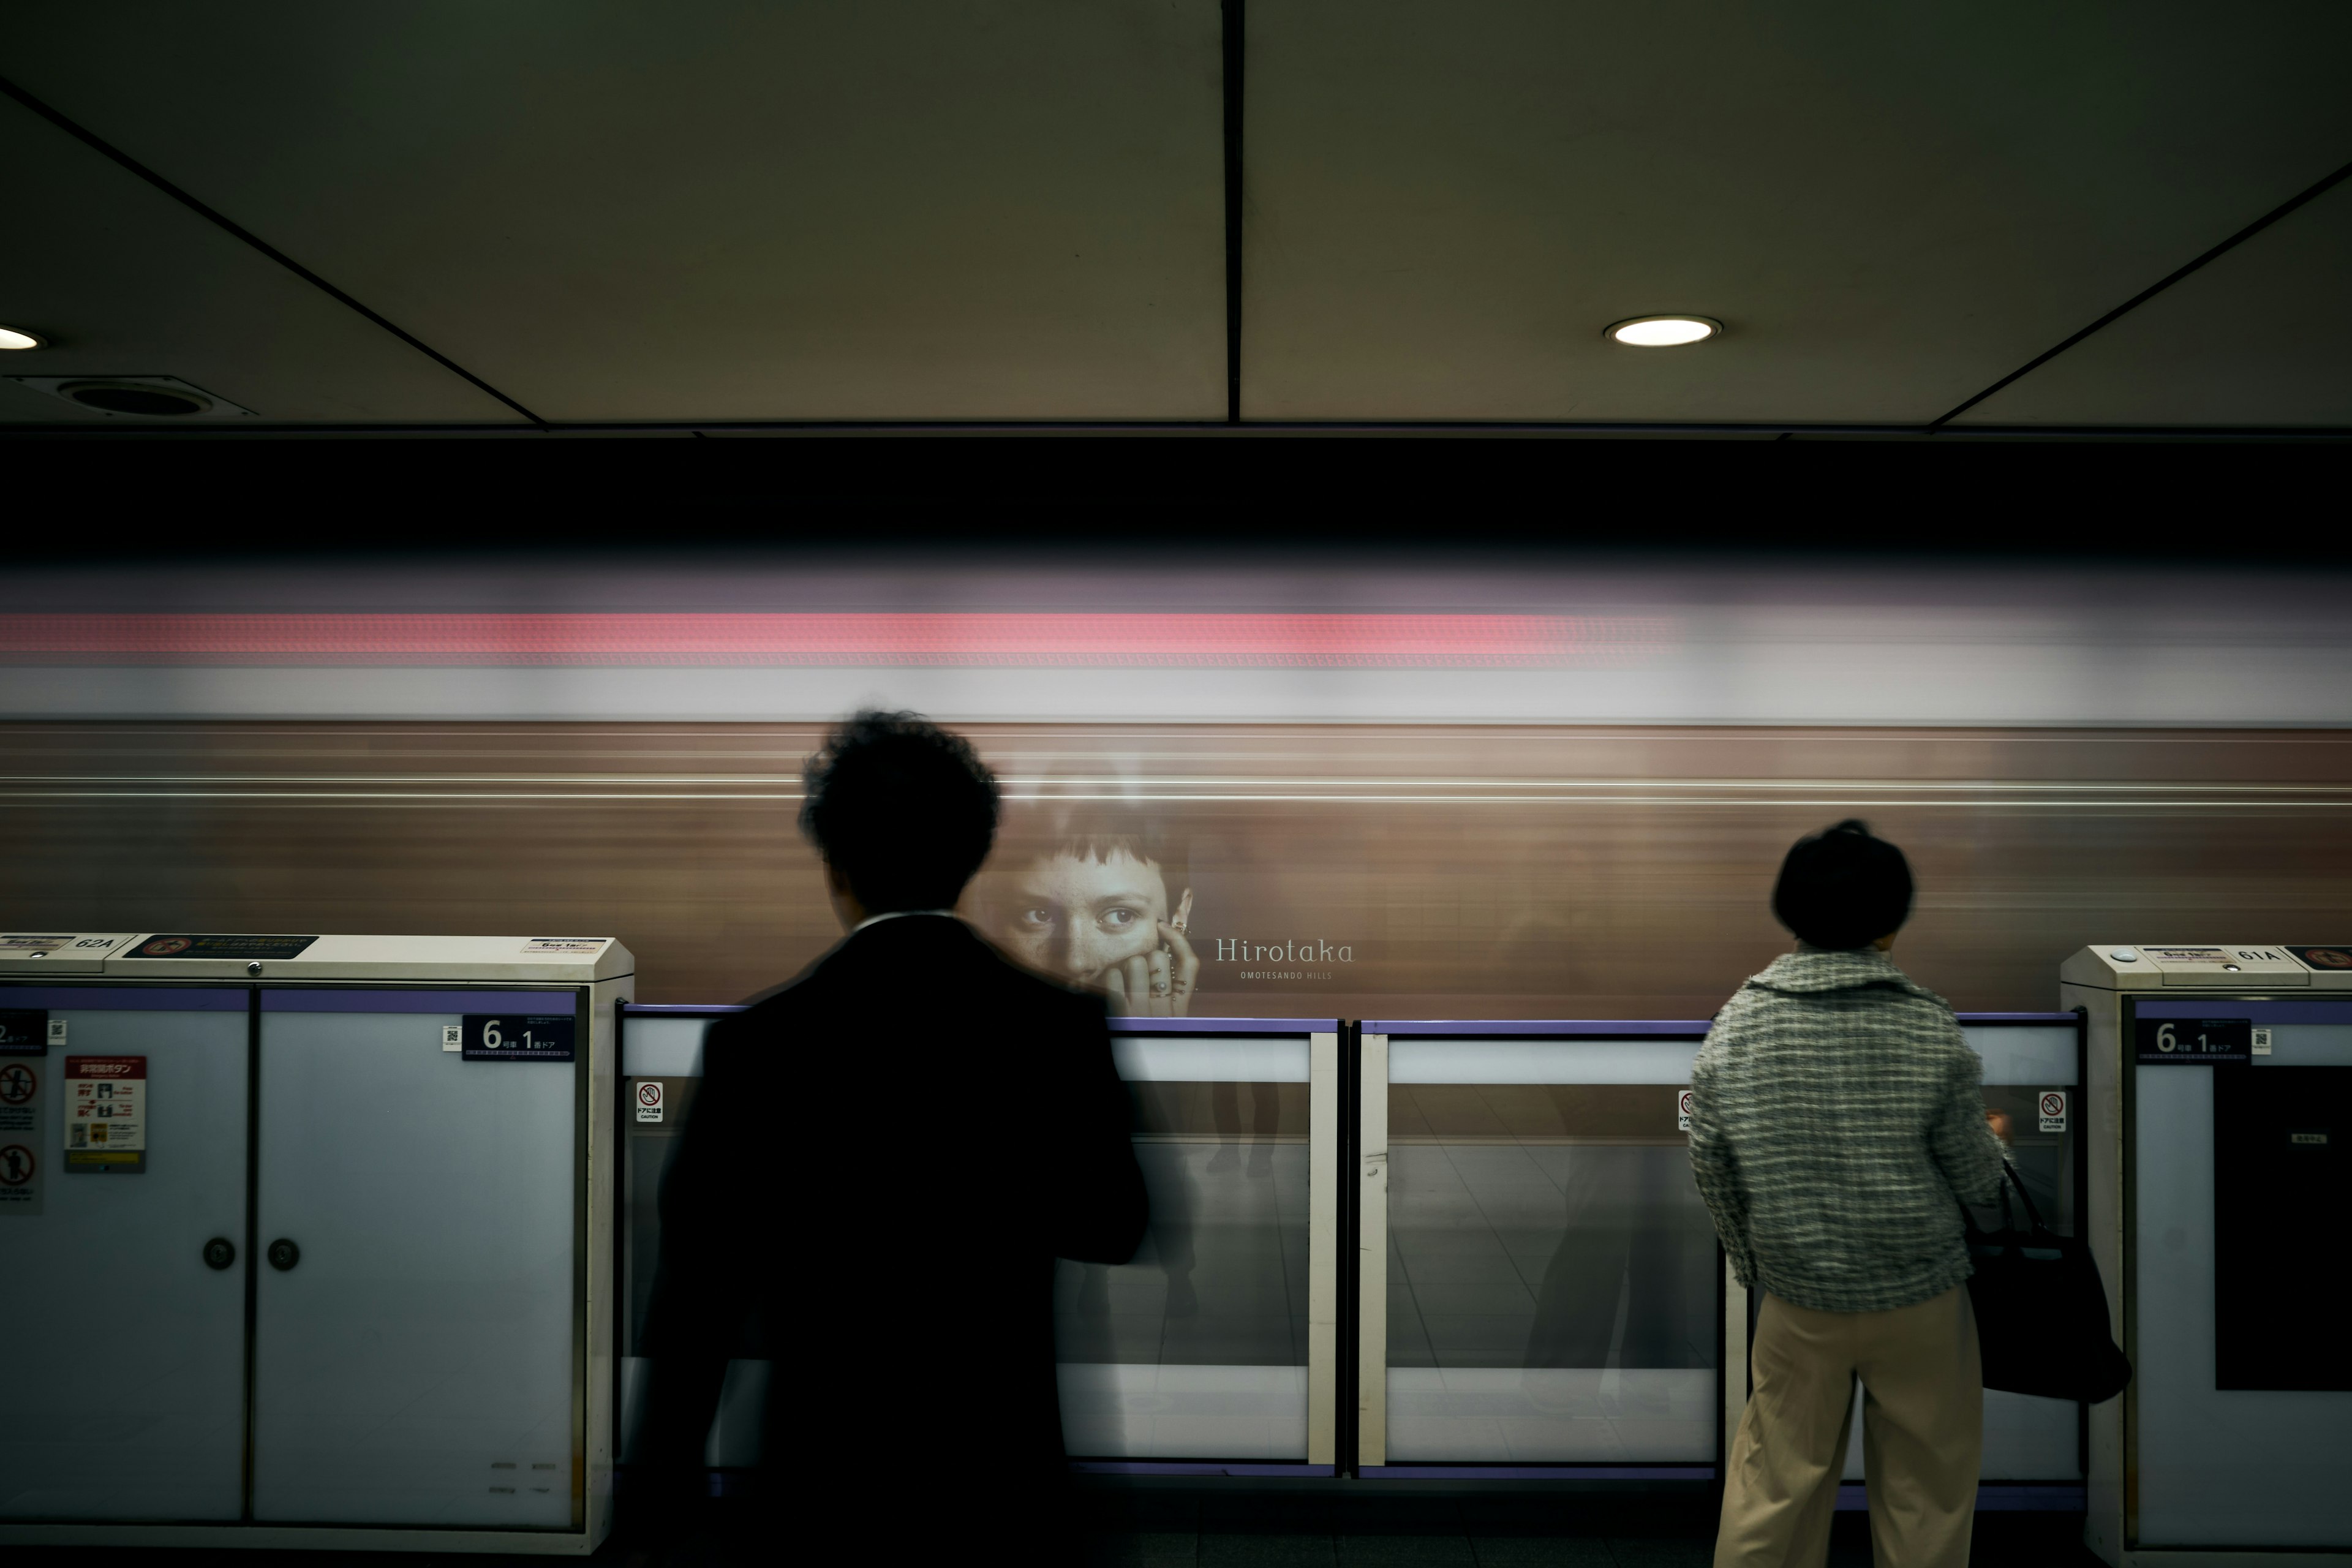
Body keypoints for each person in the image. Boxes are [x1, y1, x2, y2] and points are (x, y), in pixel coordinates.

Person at [635, 711, 1148, 1561]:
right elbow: (1114, 1225)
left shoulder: (760, 1046)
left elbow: (696, 1304)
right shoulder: (1057, 1029)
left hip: (822, 1497)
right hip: (1004, 1496)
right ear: (971, 858)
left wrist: (661, 1506)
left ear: (836, 868)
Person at [1689, 820, 2010, 1568]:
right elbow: (1977, 1181)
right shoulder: (1929, 1027)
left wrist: (1754, 1261)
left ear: (1791, 913)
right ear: (1891, 924)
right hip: (1922, 1298)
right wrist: (1997, 1140)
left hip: (1799, 1298)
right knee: (1925, 1494)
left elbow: (1712, 1163)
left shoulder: (1739, 1024)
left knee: (1773, 1487)